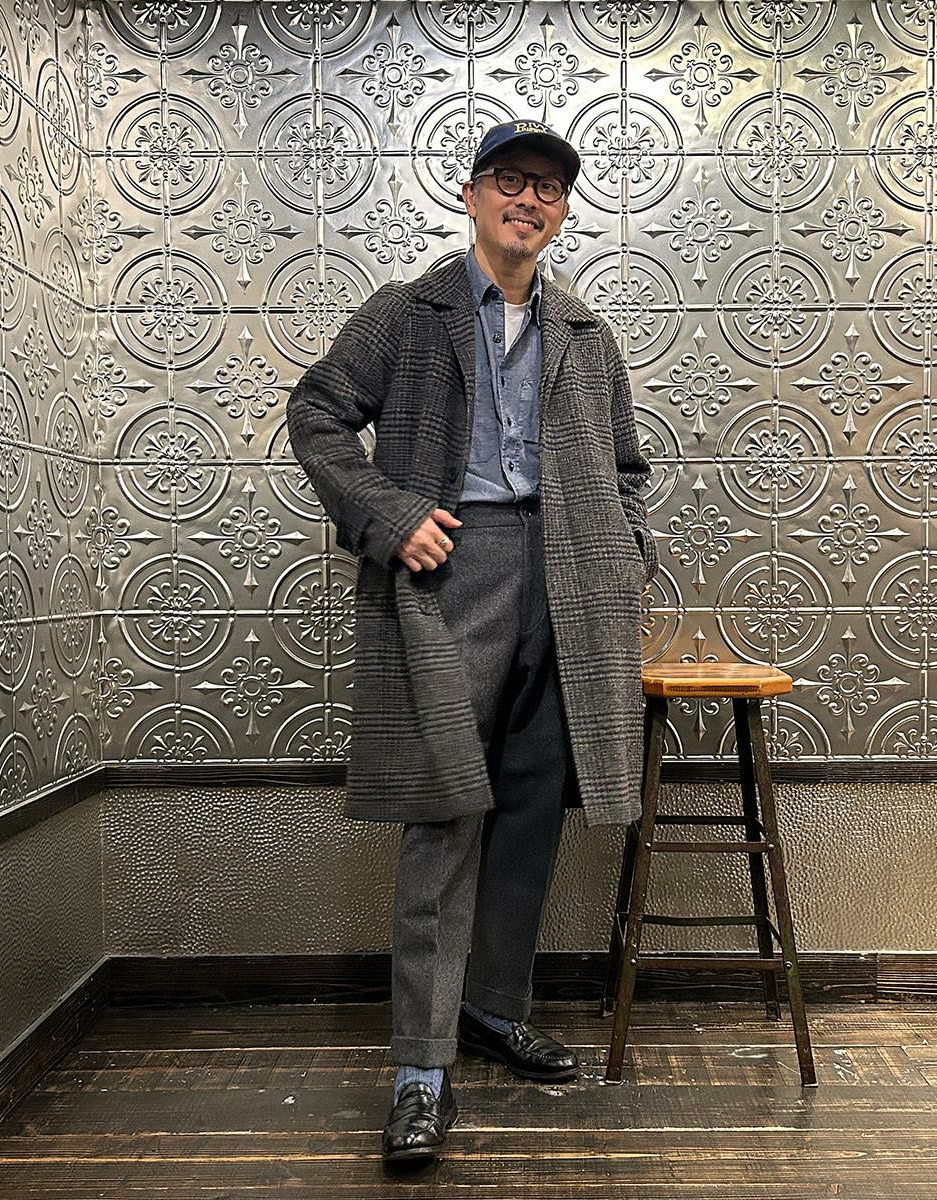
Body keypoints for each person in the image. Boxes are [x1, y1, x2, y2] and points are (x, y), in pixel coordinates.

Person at [287, 118, 658, 1165]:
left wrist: (627, 556)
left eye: (548, 187)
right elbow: (316, 413)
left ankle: (493, 1009)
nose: (527, 199)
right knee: (447, 811)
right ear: (471, 195)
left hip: (572, 577)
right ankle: (420, 1065)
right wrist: (390, 514)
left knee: (533, 805)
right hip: (456, 570)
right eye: (509, 180)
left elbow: (626, 470)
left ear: (563, 212)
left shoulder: (585, 332)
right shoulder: (408, 313)